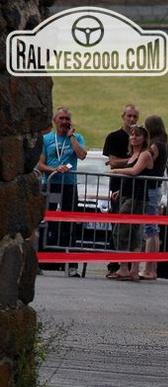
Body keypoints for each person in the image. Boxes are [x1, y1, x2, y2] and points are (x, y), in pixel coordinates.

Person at [36, 106, 87, 277]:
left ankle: (71, 265)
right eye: (61, 118)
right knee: (44, 223)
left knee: (70, 223)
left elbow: (82, 155)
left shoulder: (77, 137)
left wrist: (71, 136)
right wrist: (54, 169)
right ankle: (39, 261)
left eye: (67, 119)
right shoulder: (46, 139)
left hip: (69, 185)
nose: (64, 122)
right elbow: (40, 164)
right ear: (55, 120)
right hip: (50, 184)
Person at [106, 125, 154, 281]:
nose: (134, 137)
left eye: (138, 135)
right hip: (128, 195)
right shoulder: (133, 155)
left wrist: (116, 170)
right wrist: (121, 190)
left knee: (123, 230)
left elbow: (135, 172)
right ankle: (131, 269)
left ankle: (126, 267)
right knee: (130, 232)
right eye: (132, 134)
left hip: (137, 197)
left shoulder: (145, 154)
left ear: (144, 138)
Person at [103, 104, 140, 277]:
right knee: (116, 226)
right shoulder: (114, 137)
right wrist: (133, 161)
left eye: (135, 117)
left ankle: (128, 265)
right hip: (117, 186)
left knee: (132, 229)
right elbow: (113, 162)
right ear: (123, 116)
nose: (132, 120)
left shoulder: (140, 138)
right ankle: (114, 262)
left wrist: (126, 162)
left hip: (134, 189)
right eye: (129, 116)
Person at [140, 115, 168, 280]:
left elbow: (145, 161)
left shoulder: (155, 146)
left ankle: (149, 268)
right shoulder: (164, 144)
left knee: (150, 229)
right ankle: (152, 267)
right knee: (153, 228)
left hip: (151, 188)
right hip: (156, 188)